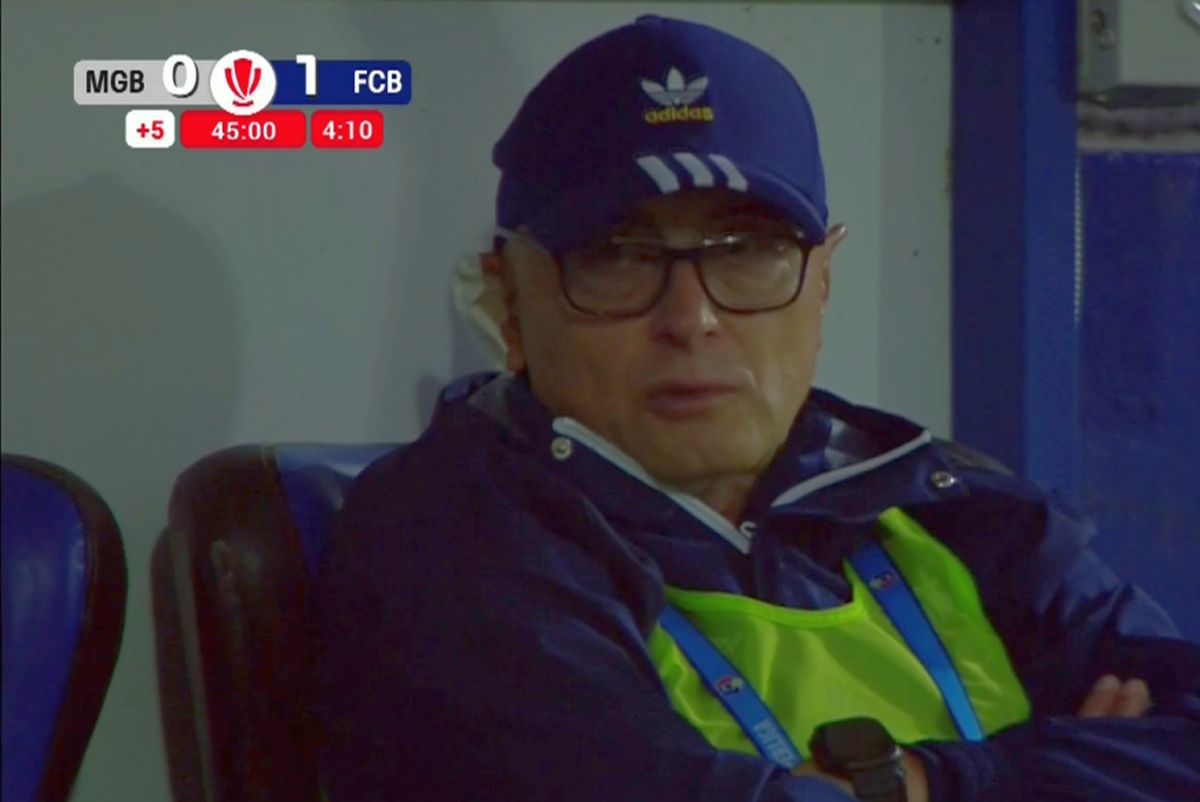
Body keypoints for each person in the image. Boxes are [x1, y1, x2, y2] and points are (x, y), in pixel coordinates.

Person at [313, 15, 1200, 802]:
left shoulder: (951, 506)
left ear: (823, 282)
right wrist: (1080, 770)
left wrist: (937, 782)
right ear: (509, 302)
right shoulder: (451, 541)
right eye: (617, 258)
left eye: (748, 251)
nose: (691, 319)